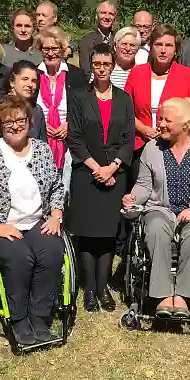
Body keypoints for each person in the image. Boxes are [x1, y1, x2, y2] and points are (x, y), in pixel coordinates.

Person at [0, 96, 66, 345]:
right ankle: (18, 319)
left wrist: (56, 214)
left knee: (52, 251)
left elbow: (56, 187)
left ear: (29, 121)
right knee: (20, 257)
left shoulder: (42, 150)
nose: (16, 126)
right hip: (0, 224)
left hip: (37, 221)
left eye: (21, 120)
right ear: (0, 126)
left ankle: (39, 317)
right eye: (9, 122)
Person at [122, 98, 190, 317]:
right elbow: (144, 185)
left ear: (185, 125)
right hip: (160, 209)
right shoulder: (152, 148)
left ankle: (184, 296)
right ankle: (163, 295)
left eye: (167, 120)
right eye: (160, 119)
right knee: (155, 227)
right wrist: (133, 197)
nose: (161, 124)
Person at [67, 44, 135, 312]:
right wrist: (97, 168)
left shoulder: (124, 98)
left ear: (113, 66)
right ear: (91, 66)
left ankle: (103, 286)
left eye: (106, 64)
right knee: (87, 232)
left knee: (107, 233)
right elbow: (74, 137)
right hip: (87, 173)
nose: (102, 69)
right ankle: (89, 289)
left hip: (115, 174)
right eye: (97, 64)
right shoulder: (78, 97)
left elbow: (128, 138)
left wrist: (112, 167)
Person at [124, 23, 190, 154]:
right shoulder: (137, 73)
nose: (163, 50)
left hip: (175, 146)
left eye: (168, 45)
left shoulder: (187, 75)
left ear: (176, 49)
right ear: (151, 47)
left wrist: (173, 131)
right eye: (158, 44)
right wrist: (143, 129)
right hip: (140, 144)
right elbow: (125, 110)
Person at [35, 26, 88, 192]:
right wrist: (40, 124)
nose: (50, 53)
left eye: (55, 48)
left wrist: (69, 125)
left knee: (65, 187)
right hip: (39, 140)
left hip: (68, 143)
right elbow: (25, 107)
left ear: (63, 50)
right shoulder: (33, 74)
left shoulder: (77, 75)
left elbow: (85, 108)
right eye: (46, 49)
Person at [5, 60, 48, 142]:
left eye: (34, 81)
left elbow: (43, 143)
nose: (30, 85)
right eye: (25, 79)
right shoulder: (0, 109)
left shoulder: (37, 110)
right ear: (12, 82)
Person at [78, 1, 118, 76]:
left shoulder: (119, 39)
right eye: (103, 13)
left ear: (115, 18)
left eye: (111, 14)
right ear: (97, 16)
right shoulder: (86, 41)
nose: (107, 17)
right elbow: (85, 71)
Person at [111, 26, 141, 90]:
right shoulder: (104, 69)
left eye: (132, 45)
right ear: (115, 46)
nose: (128, 49)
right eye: (124, 44)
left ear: (138, 49)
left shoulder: (141, 73)